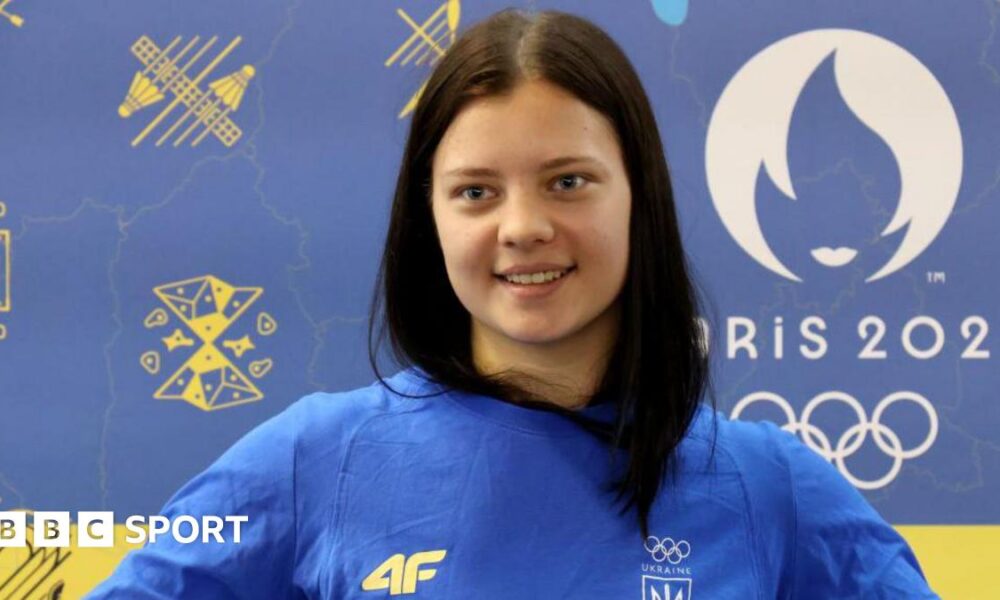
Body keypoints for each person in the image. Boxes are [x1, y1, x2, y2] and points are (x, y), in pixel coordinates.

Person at [86, 8, 938, 599]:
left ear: (638, 196)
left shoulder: (765, 484)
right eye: (476, 192)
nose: (523, 227)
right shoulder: (314, 460)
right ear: (428, 218)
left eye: (568, 182)